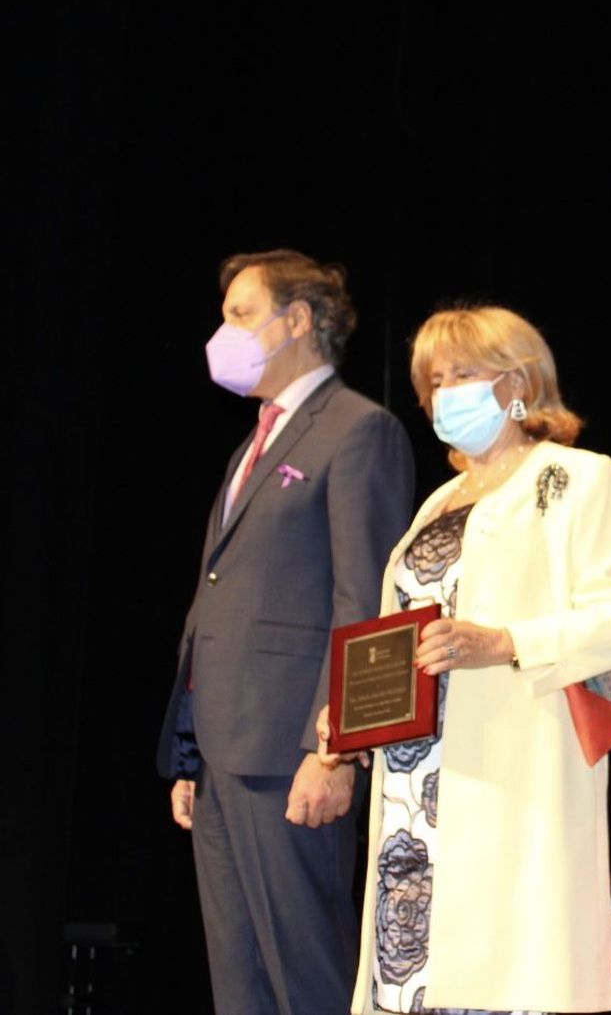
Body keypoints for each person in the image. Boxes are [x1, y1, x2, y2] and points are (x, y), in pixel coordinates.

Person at [320, 304, 611, 1014]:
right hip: (414, 786)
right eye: (434, 381)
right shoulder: (439, 502)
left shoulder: (578, 478)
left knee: (508, 975)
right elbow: (400, 638)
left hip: (512, 768)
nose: (445, 393)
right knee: (414, 981)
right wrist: (348, 719)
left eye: (463, 374)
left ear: (518, 381)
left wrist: (505, 642)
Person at [155, 249, 417, 1014]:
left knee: (306, 978)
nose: (222, 332)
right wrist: (189, 750)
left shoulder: (358, 431)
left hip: (290, 756)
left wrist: (333, 747)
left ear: (296, 321)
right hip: (221, 757)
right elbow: (220, 601)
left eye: (240, 313)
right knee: (241, 987)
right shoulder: (254, 443)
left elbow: (364, 604)